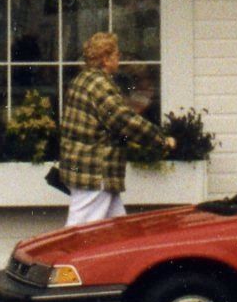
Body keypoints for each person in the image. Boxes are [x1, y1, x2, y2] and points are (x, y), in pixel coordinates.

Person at [59, 31, 171, 225]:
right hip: (95, 172)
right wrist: (161, 139)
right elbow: (124, 120)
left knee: (118, 230)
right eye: (116, 54)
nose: (119, 58)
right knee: (79, 233)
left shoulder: (82, 80)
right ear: (105, 59)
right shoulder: (100, 86)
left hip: (87, 169)